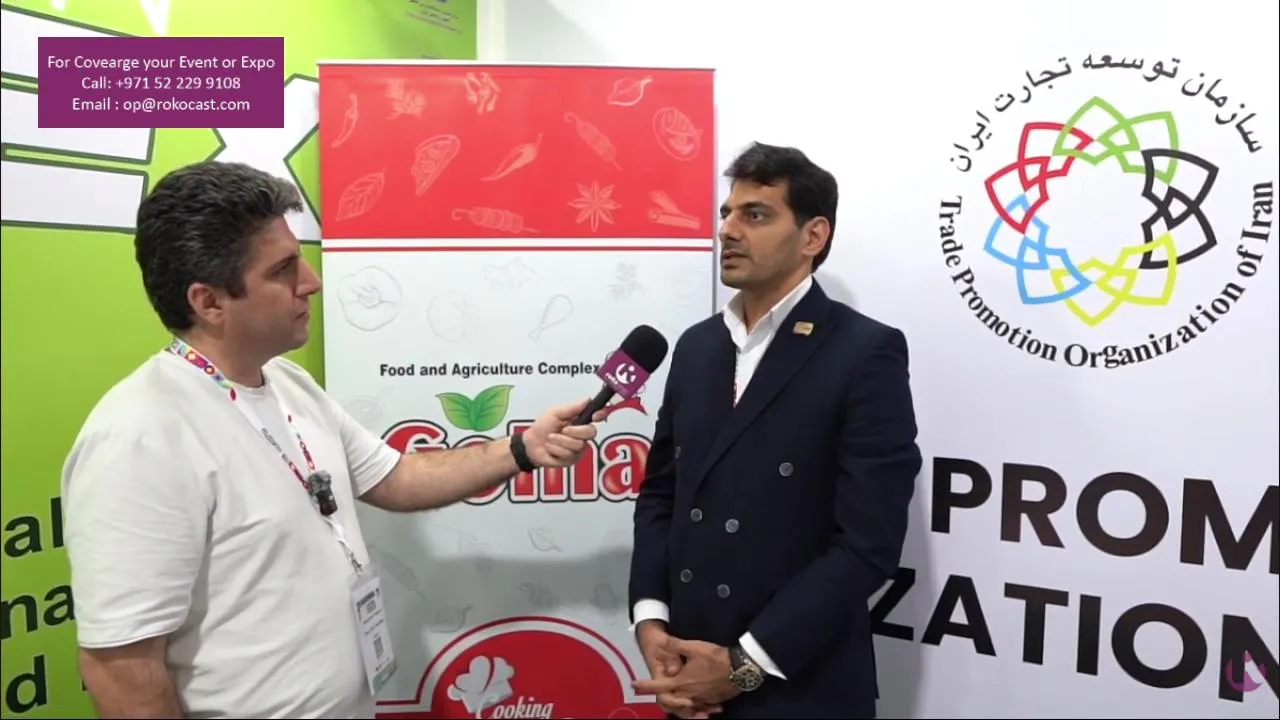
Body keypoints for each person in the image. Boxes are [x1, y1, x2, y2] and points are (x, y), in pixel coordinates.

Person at [61, 161, 605, 719]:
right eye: (283, 270)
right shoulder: (139, 437)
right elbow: (119, 666)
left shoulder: (287, 382)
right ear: (209, 302)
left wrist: (521, 449)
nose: (312, 281)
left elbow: (396, 478)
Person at [628, 142, 923, 719]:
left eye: (756, 215)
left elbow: (867, 544)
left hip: (800, 686)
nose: (728, 230)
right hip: (689, 677)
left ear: (813, 236)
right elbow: (662, 495)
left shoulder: (864, 352)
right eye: (726, 213)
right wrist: (651, 619)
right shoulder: (696, 347)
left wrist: (744, 665)